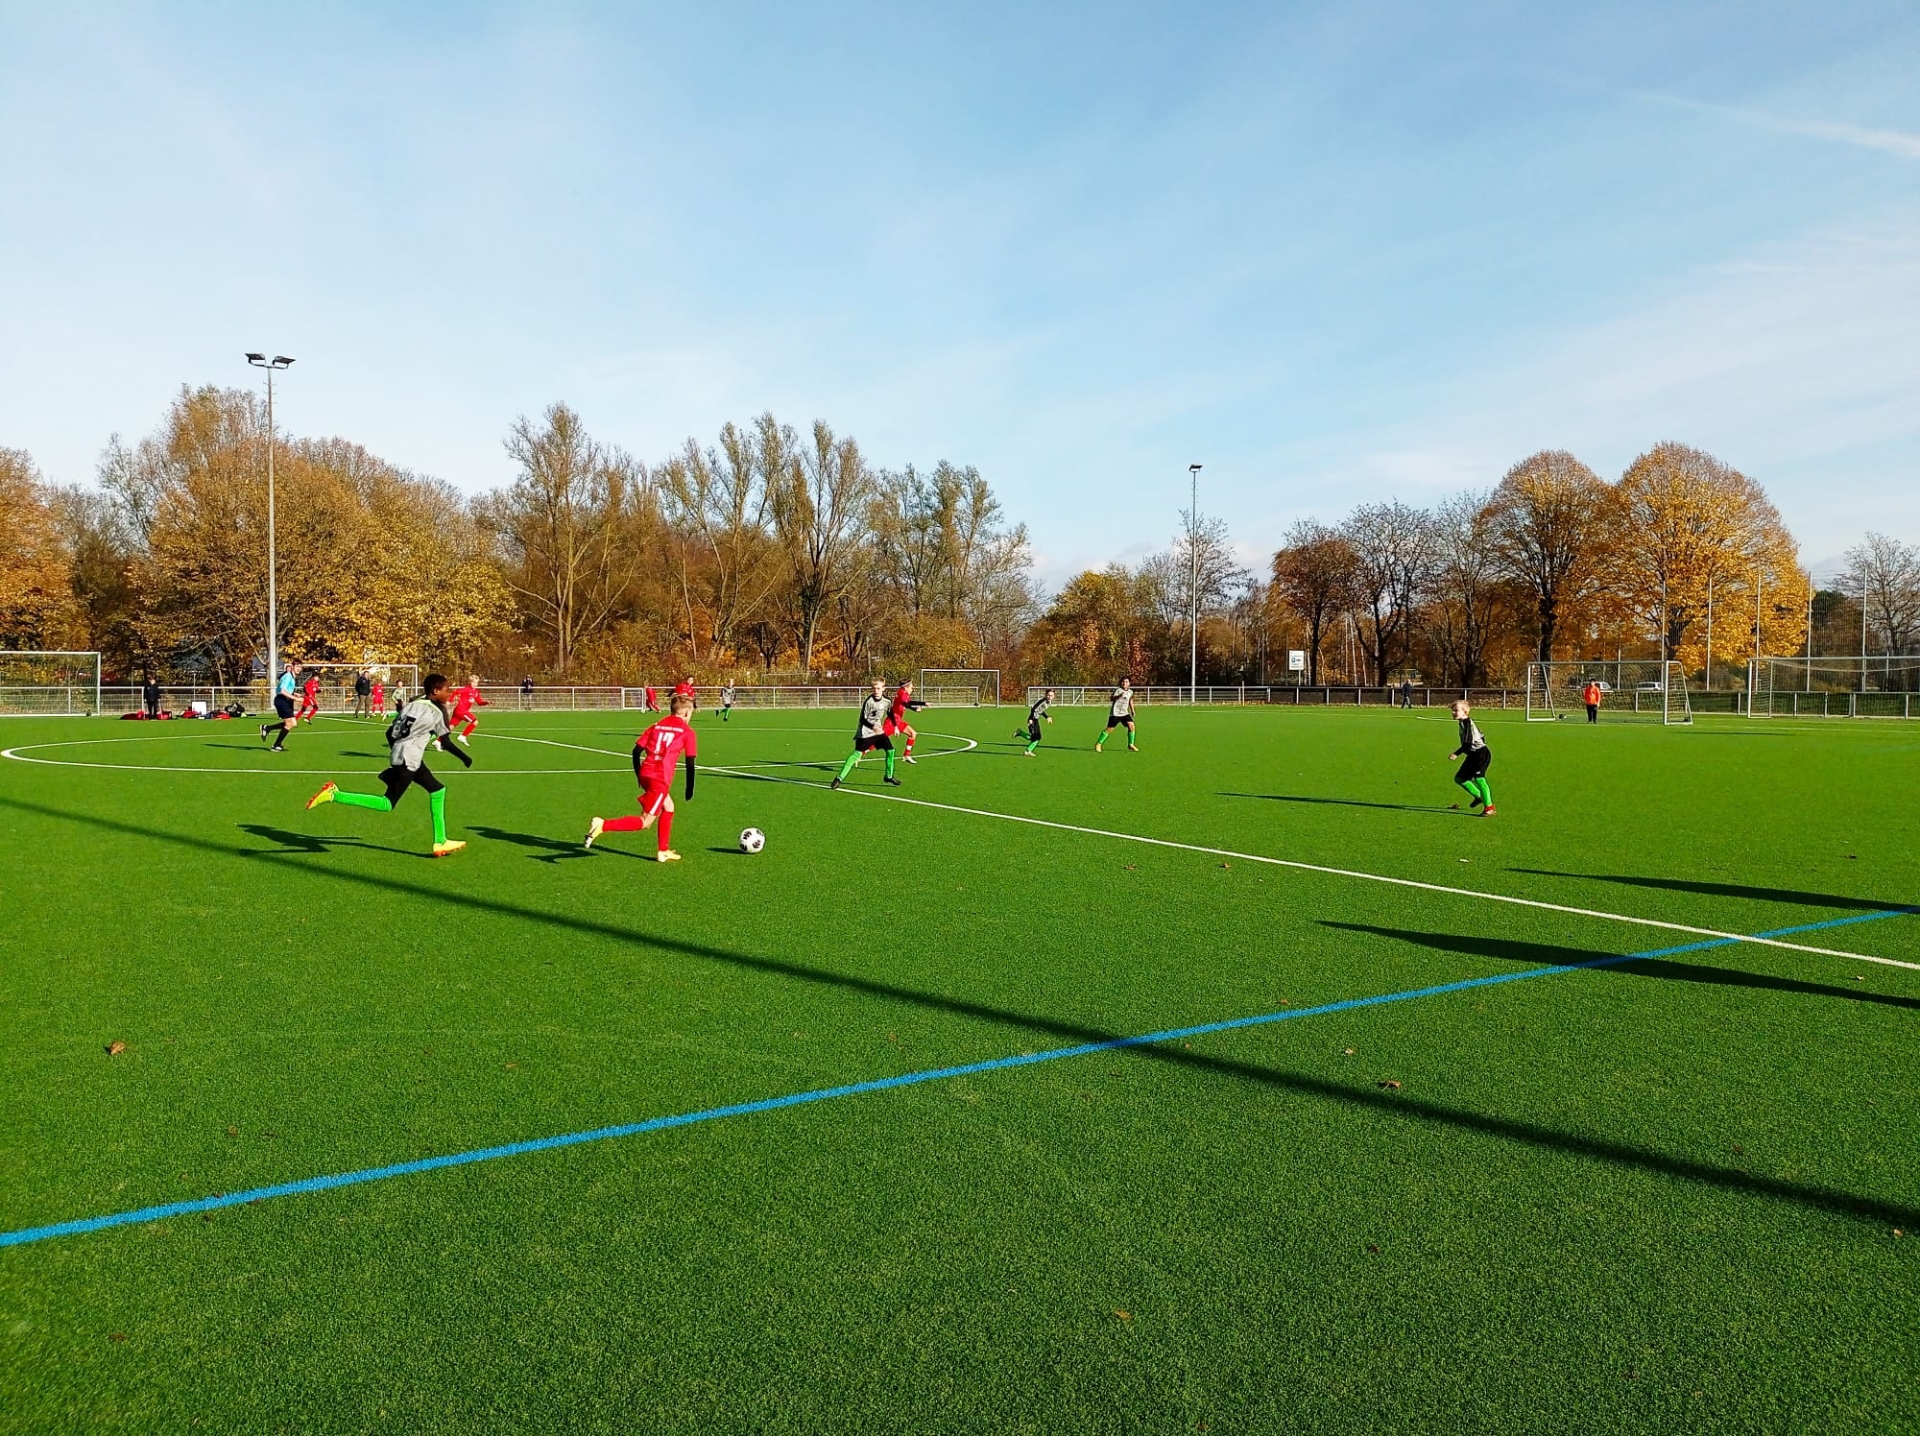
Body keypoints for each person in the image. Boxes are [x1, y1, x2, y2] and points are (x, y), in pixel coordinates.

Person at [305, 672, 473, 856]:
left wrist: (398, 754)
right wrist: (465, 758)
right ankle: (334, 794)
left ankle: (440, 840)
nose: (449, 693)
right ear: (435, 691)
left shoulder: (413, 704)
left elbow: (389, 733)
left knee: (437, 790)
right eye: (447, 690)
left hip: (403, 757)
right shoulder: (437, 710)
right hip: (410, 760)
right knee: (387, 803)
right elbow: (446, 742)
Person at [583, 692, 697, 862]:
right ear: (687, 713)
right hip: (660, 779)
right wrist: (689, 789)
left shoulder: (656, 725)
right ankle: (603, 825)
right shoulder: (687, 732)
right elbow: (690, 763)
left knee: (669, 807)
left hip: (646, 772)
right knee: (645, 822)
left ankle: (663, 850)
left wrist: (639, 775)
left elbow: (636, 752)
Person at [831, 679, 902, 789]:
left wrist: (896, 726)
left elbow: (890, 713)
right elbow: (862, 719)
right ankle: (839, 778)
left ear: (883, 689)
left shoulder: (887, 701)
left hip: (878, 732)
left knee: (891, 750)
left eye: (878, 688)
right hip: (865, 733)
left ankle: (889, 776)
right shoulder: (869, 702)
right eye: (874, 688)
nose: (876, 691)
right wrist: (873, 727)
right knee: (856, 755)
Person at [1447, 699, 1495, 817]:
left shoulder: (1467, 723)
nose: (1453, 712)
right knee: (1460, 778)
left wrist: (1456, 754)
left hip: (1481, 754)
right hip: (1473, 755)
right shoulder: (1463, 723)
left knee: (1479, 779)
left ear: (1465, 712)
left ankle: (1489, 808)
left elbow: (1467, 744)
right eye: (1452, 710)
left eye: (1456, 710)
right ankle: (1478, 796)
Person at [261, 661, 301, 752]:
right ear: (292, 667)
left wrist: (295, 694)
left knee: (293, 723)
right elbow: (282, 691)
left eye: (300, 666)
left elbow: (286, 690)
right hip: (282, 700)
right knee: (289, 723)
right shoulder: (288, 676)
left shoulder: (292, 677)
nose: (299, 668)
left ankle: (267, 728)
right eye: (297, 666)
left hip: (287, 700)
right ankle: (276, 745)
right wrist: (296, 698)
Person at [886, 680, 927, 763]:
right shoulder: (902, 694)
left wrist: (921, 705)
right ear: (906, 687)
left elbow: (908, 703)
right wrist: (917, 707)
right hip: (892, 723)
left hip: (898, 721)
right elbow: (906, 704)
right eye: (911, 687)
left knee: (913, 734)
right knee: (878, 739)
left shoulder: (904, 694)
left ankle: (906, 755)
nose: (913, 689)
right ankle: (860, 753)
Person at [1095, 678, 1138, 753]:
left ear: (1129, 683)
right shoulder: (1118, 690)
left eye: (1126, 682)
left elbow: (1130, 700)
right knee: (1109, 729)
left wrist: (1132, 710)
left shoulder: (1130, 692)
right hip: (1115, 713)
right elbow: (1112, 698)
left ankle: (1131, 744)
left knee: (1132, 726)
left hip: (1125, 713)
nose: (1124, 683)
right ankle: (1098, 744)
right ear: (1121, 683)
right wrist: (1119, 696)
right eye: (1123, 682)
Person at [450, 675, 488, 744]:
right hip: (461, 710)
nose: (475, 684)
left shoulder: (476, 692)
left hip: (459, 711)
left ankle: (438, 741)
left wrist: (486, 702)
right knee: (475, 722)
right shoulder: (466, 689)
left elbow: (479, 702)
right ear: (470, 682)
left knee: (451, 726)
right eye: (473, 682)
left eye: (476, 683)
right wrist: (450, 700)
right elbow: (456, 692)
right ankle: (463, 736)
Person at [1018, 688, 1056, 756]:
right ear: (1045, 695)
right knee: (1034, 738)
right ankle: (1020, 733)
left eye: (1051, 695)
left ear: (1053, 696)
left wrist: (1047, 717)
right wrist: (1031, 718)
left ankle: (1028, 750)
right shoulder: (1043, 701)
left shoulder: (1048, 702)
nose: (1049, 697)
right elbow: (1034, 708)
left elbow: (1041, 711)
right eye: (1048, 695)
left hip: (1036, 720)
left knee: (1037, 737)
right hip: (1032, 719)